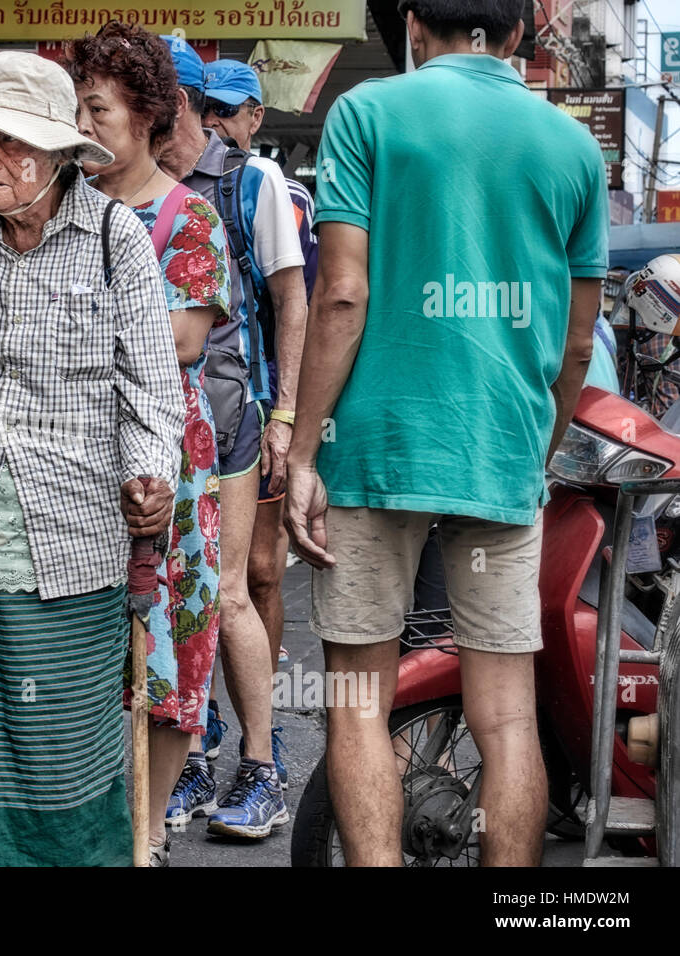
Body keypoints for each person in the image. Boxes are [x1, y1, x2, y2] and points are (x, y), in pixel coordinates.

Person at [287, 0, 607, 866]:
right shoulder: (574, 146)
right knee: (505, 712)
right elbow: (578, 343)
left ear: (414, 23)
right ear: (516, 34)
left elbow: (343, 295)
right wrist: (534, 453)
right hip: (501, 449)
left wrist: (303, 446)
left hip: (373, 450)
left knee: (357, 697)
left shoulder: (367, 113)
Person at [0, 50, 183, 867]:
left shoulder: (117, 239)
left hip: (68, 542)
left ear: (59, 153)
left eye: (10, 144)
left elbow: (152, 393)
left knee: (53, 758)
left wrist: (151, 474)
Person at [63, 22, 232, 865]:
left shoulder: (185, 215)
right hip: (66, 460)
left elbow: (183, 339)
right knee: (81, 651)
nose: (84, 125)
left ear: (148, 116)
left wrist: (64, 333)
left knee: (169, 654)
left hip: (167, 464)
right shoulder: (56, 211)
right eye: (78, 107)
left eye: (98, 108)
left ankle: (150, 827)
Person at [155, 42, 309, 839]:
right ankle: (184, 764)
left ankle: (262, 767)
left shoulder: (254, 182)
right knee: (167, 603)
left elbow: (294, 303)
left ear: (170, 102)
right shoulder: (124, 186)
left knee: (231, 589)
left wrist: (287, 418)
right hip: (150, 427)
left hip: (230, 416)